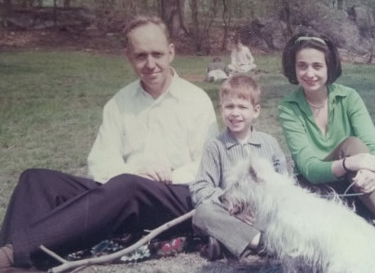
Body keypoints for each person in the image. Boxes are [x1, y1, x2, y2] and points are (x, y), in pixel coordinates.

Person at [0, 15, 219, 270]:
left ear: (171, 52)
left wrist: (165, 175)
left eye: (157, 54)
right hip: (123, 193)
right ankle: (16, 264)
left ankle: (12, 252)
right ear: (129, 57)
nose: (150, 64)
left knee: (129, 186)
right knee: (35, 180)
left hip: (178, 196)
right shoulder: (119, 102)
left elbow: (208, 165)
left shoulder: (196, 100)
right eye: (140, 56)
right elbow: (100, 163)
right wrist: (135, 173)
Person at [278, 33, 375, 245]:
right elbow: (309, 169)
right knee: (352, 145)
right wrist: (348, 163)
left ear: (329, 67)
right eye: (302, 66)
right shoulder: (288, 108)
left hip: (359, 186)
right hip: (317, 192)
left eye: (317, 66)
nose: (309, 73)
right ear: (294, 68)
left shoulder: (349, 97)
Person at [190, 74, 288, 261]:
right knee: (202, 214)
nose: (235, 113)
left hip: (265, 214)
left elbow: (285, 182)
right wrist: (231, 205)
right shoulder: (215, 146)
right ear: (221, 109)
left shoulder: (269, 143)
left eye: (242, 107)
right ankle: (263, 244)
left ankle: (229, 242)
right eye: (229, 106)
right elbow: (200, 188)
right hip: (231, 214)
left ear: (256, 111)